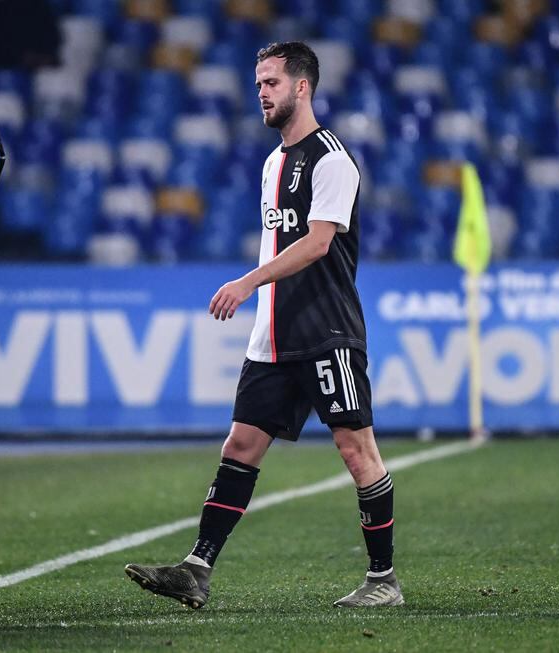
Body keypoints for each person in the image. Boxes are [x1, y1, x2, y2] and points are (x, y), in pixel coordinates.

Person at [124, 42, 403, 609]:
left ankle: (383, 580)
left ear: (303, 86)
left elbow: (320, 243)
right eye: (257, 84)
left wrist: (249, 282)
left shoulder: (333, 161)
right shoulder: (273, 163)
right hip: (273, 337)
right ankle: (196, 568)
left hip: (327, 332)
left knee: (356, 451)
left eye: (271, 82)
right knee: (242, 443)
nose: (262, 92)